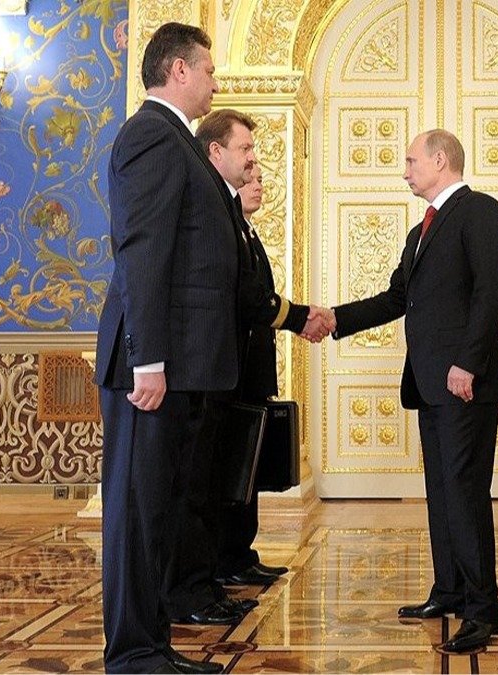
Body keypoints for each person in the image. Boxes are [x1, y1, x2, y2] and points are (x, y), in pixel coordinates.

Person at [326, 129, 498, 654]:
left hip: (464, 382)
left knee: (465, 493)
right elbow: (396, 299)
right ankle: (449, 590)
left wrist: (467, 363)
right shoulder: (420, 231)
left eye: (411, 161)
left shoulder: (480, 211)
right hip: (432, 383)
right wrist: (334, 318)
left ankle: (483, 611)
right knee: (443, 491)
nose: (405, 170)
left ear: (440, 160)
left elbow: (493, 290)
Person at [94, 22, 232, 674]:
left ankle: (151, 646)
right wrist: (147, 359)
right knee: (135, 512)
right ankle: (132, 653)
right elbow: (143, 251)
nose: (214, 83)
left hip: (175, 362)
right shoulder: (152, 134)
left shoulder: (174, 138)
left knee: (156, 511)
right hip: (151, 364)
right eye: (208, 70)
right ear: (179, 70)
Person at [162, 109, 332, 627]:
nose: (255, 163)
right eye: (246, 151)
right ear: (215, 152)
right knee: (202, 487)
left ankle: (212, 577)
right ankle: (194, 588)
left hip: (227, 371)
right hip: (207, 371)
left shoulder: (231, 219)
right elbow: (248, 297)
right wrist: (302, 318)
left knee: (225, 481)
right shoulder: (216, 212)